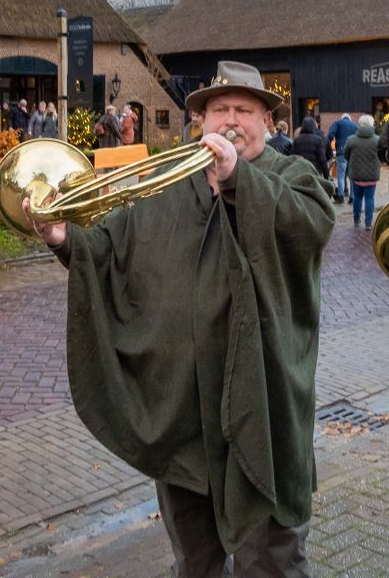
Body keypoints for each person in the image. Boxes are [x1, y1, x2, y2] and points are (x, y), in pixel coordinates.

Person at [26, 60, 334, 574]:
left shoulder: (291, 176)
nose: (230, 120)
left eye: (243, 110)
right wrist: (63, 238)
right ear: (201, 122)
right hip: (184, 420)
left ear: (268, 123)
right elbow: (111, 246)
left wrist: (238, 179)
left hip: (265, 412)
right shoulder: (167, 184)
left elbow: (310, 225)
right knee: (194, 560)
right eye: (219, 110)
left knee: (271, 559)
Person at [344, 114, 380, 229]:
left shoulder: (351, 139)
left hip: (357, 175)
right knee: (370, 199)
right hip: (371, 175)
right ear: (371, 124)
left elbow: (346, 155)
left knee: (357, 198)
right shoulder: (377, 140)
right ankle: (368, 223)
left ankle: (356, 220)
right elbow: (382, 155)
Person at [326, 113, 359, 203]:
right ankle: (352, 197)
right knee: (352, 176)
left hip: (341, 152)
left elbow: (330, 135)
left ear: (342, 118)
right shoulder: (355, 125)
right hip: (353, 153)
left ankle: (341, 196)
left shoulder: (338, 123)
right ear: (349, 119)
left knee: (341, 175)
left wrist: (329, 145)